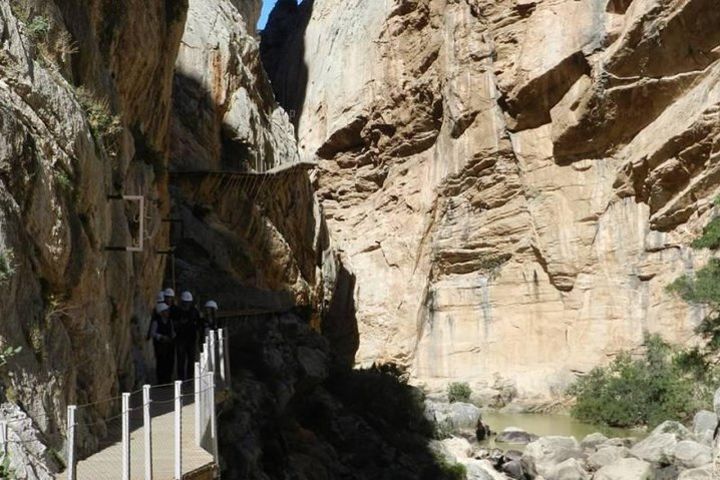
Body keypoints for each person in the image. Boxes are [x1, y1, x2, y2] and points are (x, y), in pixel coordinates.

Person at [173, 291, 202, 381]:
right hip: (181, 339)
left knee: (190, 359)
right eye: (185, 302)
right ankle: (181, 378)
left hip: (191, 339)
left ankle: (189, 378)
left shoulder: (194, 311)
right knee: (181, 360)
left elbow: (199, 324)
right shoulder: (177, 311)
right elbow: (174, 324)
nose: (186, 304)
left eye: (187, 302)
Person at [150, 303, 175, 384]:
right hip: (160, 345)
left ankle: (168, 380)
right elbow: (152, 333)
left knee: (170, 362)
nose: (167, 313)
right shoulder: (156, 322)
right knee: (161, 362)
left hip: (169, 344)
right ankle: (161, 381)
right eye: (165, 311)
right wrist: (161, 337)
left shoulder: (170, 321)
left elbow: (173, 332)